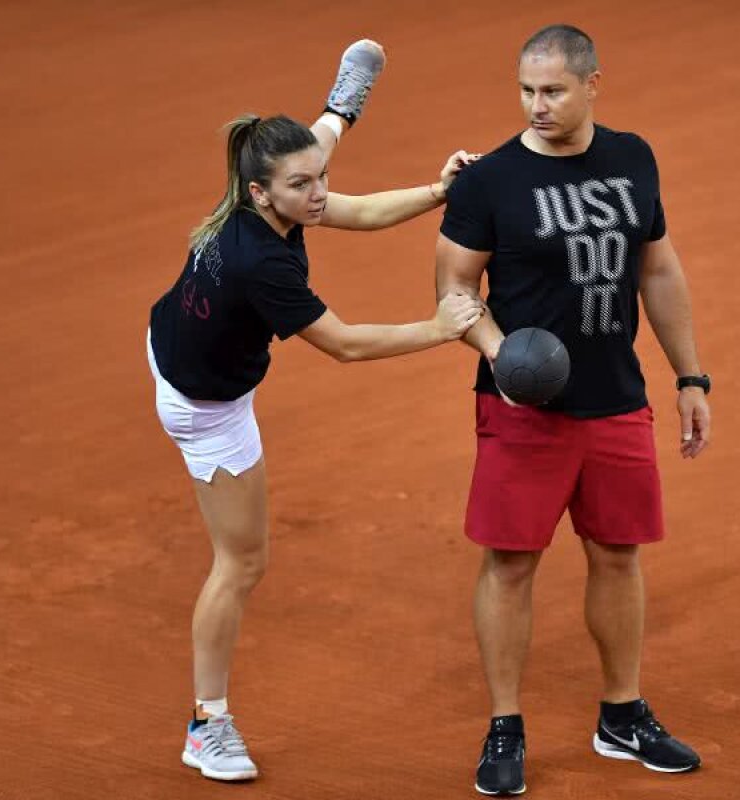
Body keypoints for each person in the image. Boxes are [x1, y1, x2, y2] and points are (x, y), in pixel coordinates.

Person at [147, 40, 483, 782]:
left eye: (319, 175)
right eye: (303, 185)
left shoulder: (268, 185)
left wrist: (435, 190)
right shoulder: (261, 262)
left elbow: (346, 198)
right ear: (263, 195)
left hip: (171, 335)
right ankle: (207, 725)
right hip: (204, 405)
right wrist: (439, 328)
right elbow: (345, 346)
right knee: (242, 561)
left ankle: (344, 93)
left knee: (330, 128)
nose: (320, 191)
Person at [435, 24, 711, 795]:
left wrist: (692, 377)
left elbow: (657, 268)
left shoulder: (633, 158)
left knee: (619, 553)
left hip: (616, 399)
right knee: (511, 563)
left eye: (553, 90)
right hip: (524, 411)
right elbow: (454, 292)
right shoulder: (489, 180)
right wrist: (502, 355)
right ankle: (504, 725)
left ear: (593, 84)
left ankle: (621, 714)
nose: (537, 105)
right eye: (526, 91)